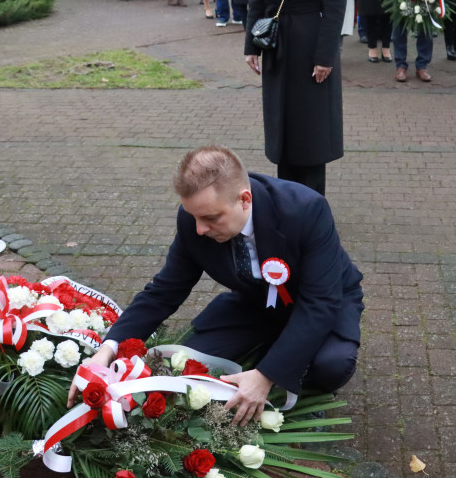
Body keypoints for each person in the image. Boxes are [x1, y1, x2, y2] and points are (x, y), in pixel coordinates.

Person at [67, 146, 364, 425]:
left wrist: (266, 375)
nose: (200, 229)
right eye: (194, 217)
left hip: (324, 301)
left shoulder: (306, 210)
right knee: (189, 365)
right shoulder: (194, 220)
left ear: (244, 199)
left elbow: (320, 303)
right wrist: (110, 347)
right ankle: (273, 349)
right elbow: (164, 290)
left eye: (210, 218)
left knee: (331, 366)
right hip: (255, 304)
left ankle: (285, 370)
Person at [244, 0, 349, 196]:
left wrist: (325, 56)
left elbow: (335, 5)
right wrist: (251, 43)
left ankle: (312, 206)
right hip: (277, 45)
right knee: (283, 126)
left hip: (310, 44)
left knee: (311, 130)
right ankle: (287, 203)